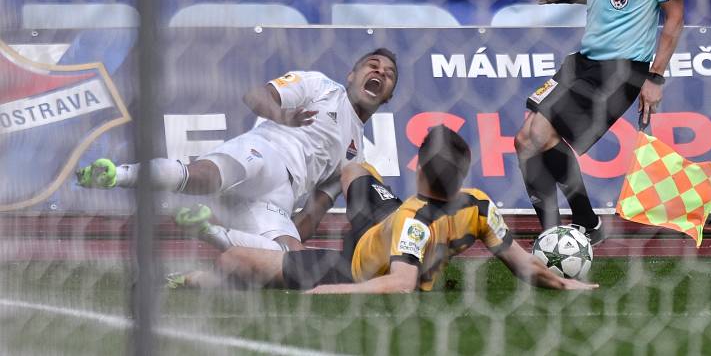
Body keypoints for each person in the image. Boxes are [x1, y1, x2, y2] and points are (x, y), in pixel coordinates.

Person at [196, 126, 597, 292]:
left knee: (234, 258)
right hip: (381, 221)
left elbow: (398, 283)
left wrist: (327, 289)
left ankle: (188, 279)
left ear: (418, 168)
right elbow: (522, 263)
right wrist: (565, 283)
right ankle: (300, 222)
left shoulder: (415, 220)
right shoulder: (478, 204)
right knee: (354, 168)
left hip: (353, 263)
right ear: (466, 172)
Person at [514, 0, 686, 244]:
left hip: (623, 69)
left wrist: (655, 77)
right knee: (525, 140)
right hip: (583, 61)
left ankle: (573, 230)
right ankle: (564, 234)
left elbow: (674, 18)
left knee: (537, 136)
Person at [76, 48, 398, 253]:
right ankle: (115, 174)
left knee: (288, 259)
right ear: (352, 75)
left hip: (278, 200)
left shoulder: (357, 160)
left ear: (388, 96)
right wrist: (283, 116)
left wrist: (293, 246)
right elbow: (255, 95)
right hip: (266, 154)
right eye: (373, 65)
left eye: (388, 75)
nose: (380, 73)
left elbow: (314, 212)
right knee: (202, 176)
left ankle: (207, 230)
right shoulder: (320, 86)